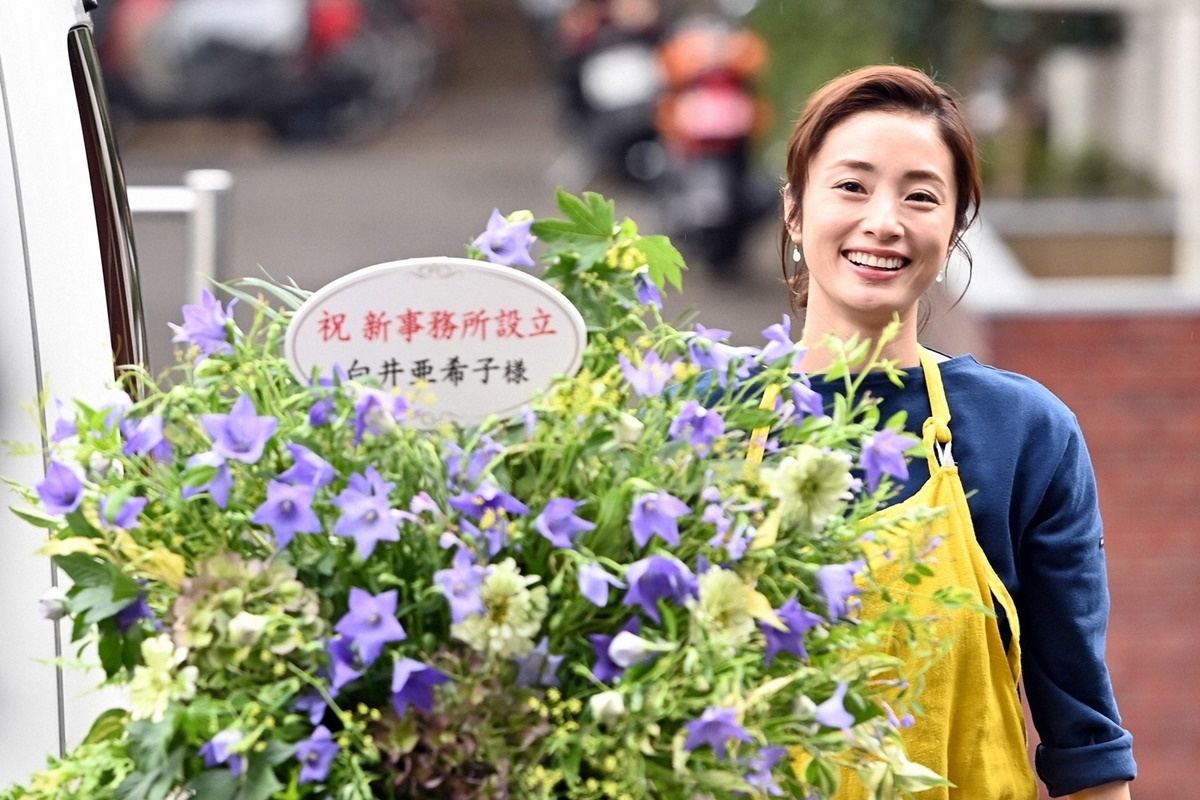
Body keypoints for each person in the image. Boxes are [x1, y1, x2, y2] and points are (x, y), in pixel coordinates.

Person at [777, 65, 1136, 798]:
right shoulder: (707, 418)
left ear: (954, 227)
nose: (884, 220)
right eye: (851, 186)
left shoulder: (1023, 433)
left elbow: (1084, 737)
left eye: (920, 196)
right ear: (793, 211)